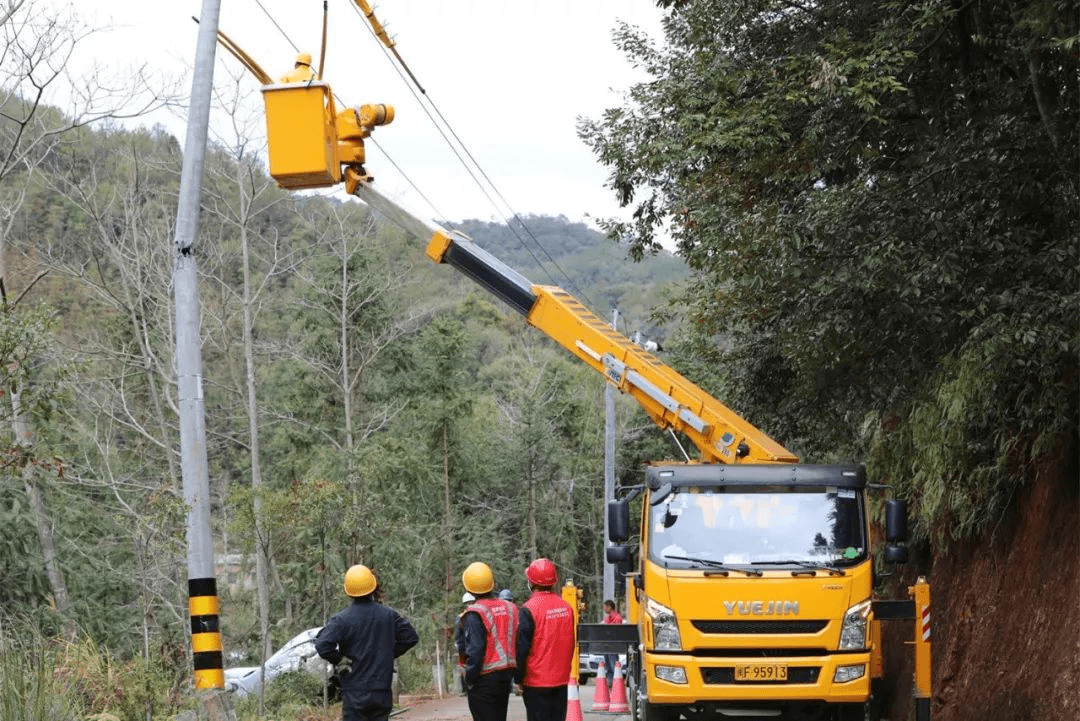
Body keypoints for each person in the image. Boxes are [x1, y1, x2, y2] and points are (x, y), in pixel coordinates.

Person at [315, 564, 419, 721]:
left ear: (347, 591)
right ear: (373, 586)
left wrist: (340, 660)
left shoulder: (341, 619)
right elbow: (410, 637)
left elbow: (322, 645)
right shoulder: (389, 615)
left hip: (354, 692)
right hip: (381, 691)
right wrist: (389, 654)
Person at [514, 558, 575, 721]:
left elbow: (522, 647)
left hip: (536, 683)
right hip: (561, 681)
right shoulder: (567, 608)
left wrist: (518, 677)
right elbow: (571, 642)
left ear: (532, 582)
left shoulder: (529, 609)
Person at [460, 562, 519, 721]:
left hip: (484, 679)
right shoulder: (510, 607)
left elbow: (476, 650)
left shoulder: (475, 612)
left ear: (469, 588)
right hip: (506, 676)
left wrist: (469, 679)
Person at [454, 592, 476, 695]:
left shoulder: (462, 617)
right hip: (469, 647)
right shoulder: (464, 617)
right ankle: (466, 688)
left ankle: (467, 688)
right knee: (464, 668)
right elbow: (460, 636)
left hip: (469, 647)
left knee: (465, 667)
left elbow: (459, 636)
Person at [601, 599, 623, 689]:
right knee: (609, 665)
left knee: (613, 663)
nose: (604, 609)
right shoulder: (608, 617)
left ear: (610, 607)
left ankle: (615, 683)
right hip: (607, 643)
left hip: (613, 644)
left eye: (606, 607)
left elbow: (614, 630)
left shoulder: (616, 617)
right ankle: (611, 683)